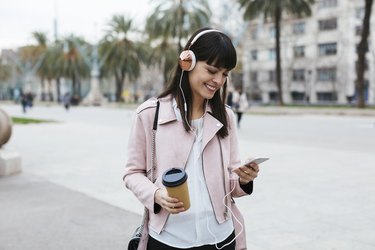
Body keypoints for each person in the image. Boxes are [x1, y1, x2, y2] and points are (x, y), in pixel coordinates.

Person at [123, 28, 260, 250]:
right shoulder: (149, 115)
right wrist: (156, 194)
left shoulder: (226, 117)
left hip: (221, 239)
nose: (218, 81)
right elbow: (132, 173)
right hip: (169, 239)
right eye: (212, 70)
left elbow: (230, 185)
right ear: (187, 62)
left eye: (225, 74)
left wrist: (244, 179)